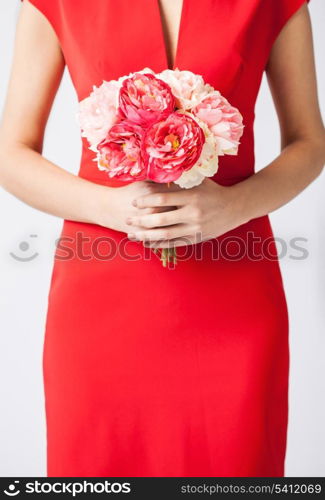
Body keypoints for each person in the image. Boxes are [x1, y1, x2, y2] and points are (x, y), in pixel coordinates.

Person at [0, 0, 324, 477]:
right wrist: (109, 208)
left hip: (234, 296)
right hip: (101, 301)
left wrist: (233, 207)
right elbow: (11, 152)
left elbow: (309, 142)